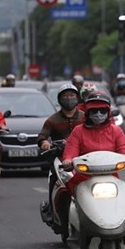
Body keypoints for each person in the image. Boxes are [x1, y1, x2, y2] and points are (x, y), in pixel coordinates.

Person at [61, 92, 125, 192]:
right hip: (83, 178)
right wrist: (68, 159)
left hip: (111, 177)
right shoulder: (78, 131)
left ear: (108, 112)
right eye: (94, 111)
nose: (98, 114)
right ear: (88, 112)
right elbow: (71, 151)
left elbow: (123, 148)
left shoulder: (116, 130)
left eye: (102, 110)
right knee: (65, 193)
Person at [38, 84, 86, 220]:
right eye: (65, 96)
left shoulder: (85, 118)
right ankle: (51, 211)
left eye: (72, 96)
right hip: (61, 157)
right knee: (55, 179)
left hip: (84, 156)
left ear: (77, 98)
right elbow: (42, 136)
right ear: (59, 99)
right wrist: (45, 143)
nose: (69, 99)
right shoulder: (52, 120)